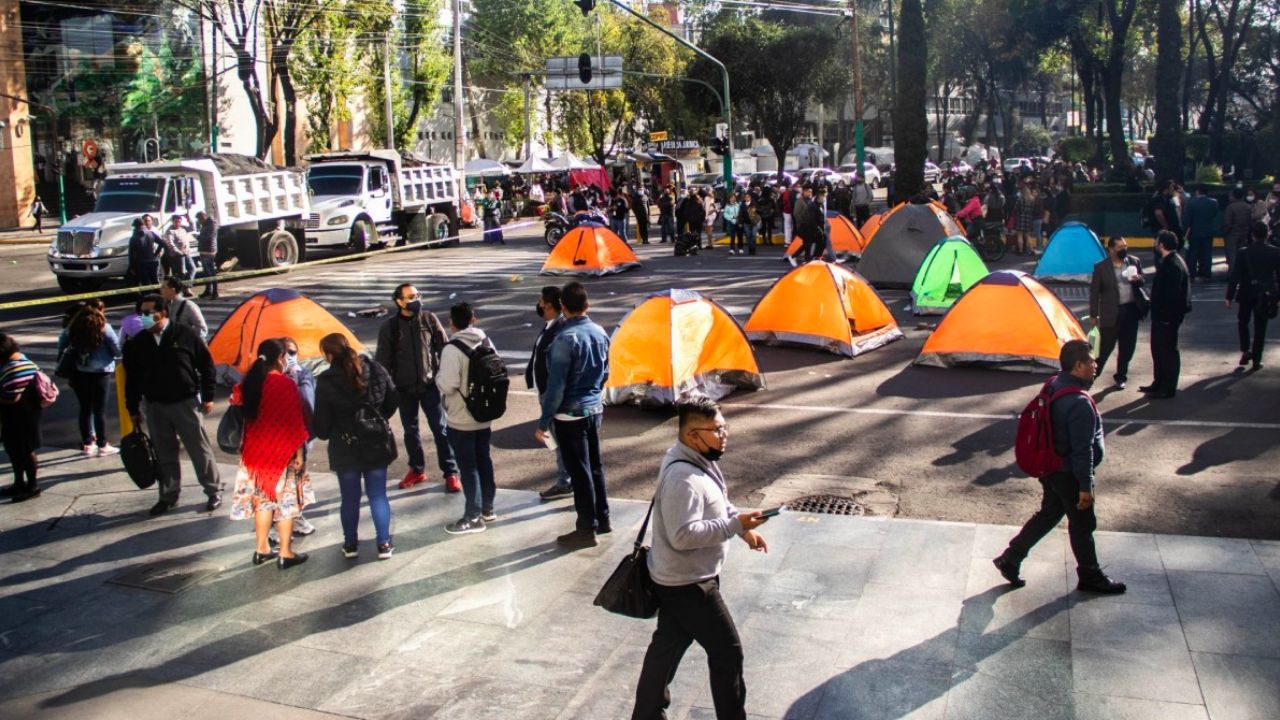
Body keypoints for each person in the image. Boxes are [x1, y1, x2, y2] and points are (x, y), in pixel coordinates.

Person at [632, 397, 770, 720]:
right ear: (693, 435)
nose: (724, 435)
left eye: (724, 427)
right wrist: (734, 525)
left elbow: (720, 503)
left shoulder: (699, 459)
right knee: (728, 653)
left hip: (678, 577)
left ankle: (646, 714)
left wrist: (744, 531)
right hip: (689, 584)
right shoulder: (684, 480)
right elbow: (684, 535)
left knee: (666, 649)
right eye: (717, 430)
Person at [993, 340, 1126, 595]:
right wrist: (1086, 487)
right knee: (1082, 524)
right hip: (1070, 474)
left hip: (1051, 468)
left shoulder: (1054, 384)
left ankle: (1011, 557)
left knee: (1050, 513)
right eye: (1091, 361)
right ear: (1078, 366)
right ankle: (1090, 575)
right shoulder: (1079, 403)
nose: (1095, 365)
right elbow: (1082, 450)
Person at [123, 295, 222, 516]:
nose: (145, 318)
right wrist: (132, 408)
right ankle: (168, 495)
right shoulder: (138, 344)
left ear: (164, 312)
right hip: (155, 406)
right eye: (141, 313)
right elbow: (132, 379)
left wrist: (208, 396)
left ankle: (213, 490)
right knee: (164, 453)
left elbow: (206, 365)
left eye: (149, 313)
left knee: (199, 449)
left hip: (185, 403)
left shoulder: (185, 335)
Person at [534, 282, 611, 548]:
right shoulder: (600, 332)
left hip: (570, 414)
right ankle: (603, 519)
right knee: (595, 466)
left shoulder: (564, 339)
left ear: (563, 308)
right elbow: (606, 373)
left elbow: (556, 387)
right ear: (587, 305)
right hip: (594, 408)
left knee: (580, 472)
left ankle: (585, 528)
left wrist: (544, 422)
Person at [314, 333, 399, 560]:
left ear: (329, 355)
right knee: (378, 495)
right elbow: (392, 399)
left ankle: (350, 544)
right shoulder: (375, 369)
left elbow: (321, 426)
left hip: (344, 445)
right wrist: (377, 418)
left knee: (349, 498)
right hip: (375, 441)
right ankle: (383, 543)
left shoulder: (325, 381)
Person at [228, 340, 311, 569]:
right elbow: (295, 422)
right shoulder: (284, 384)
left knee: (262, 502)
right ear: (280, 358)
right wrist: (299, 454)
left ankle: (261, 548)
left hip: (254, 455)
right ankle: (285, 552)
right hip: (282, 452)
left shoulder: (249, 383)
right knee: (285, 503)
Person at [375, 284, 461, 492]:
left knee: (440, 429)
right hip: (404, 389)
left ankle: (450, 472)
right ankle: (417, 469)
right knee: (410, 431)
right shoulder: (390, 327)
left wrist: (442, 375)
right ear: (399, 301)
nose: (416, 300)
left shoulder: (428, 319)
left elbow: (445, 347)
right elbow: (382, 362)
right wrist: (388, 388)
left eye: (417, 295)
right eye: (411, 297)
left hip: (429, 385)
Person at [434, 302, 499, 535]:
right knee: (484, 460)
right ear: (474, 319)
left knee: (468, 466)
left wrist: (437, 378)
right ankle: (488, 508)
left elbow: (449, 384)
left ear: (452, 323)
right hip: (484, 413)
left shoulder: (452, 349)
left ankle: (472, 515)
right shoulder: (485, 340)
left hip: (461, 417)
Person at [527, 287, 572, 502]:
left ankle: (566, 482)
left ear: (551, 305)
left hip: (552, 394)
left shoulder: (559, 330)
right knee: (556, 441)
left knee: (560, 442)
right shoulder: (550, 326)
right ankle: (566, 479)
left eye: (541, 301)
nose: (539, 305)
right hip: (545, 391)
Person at [58, 303, 122, 455]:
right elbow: (117, 349)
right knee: (99, 410)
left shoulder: (73, 327)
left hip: (80, 371)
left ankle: (88, 443)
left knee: (85, 408)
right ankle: (103, 444)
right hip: (101, 373)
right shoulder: (104, 327)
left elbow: (61, 344)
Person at [272, 336, 317, 539]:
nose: (290, 357)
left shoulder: (302, 373)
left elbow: (309, 404)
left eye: (293, 352)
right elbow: (307, 402)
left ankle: (291, 517)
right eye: (286, 353)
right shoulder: (274, 377)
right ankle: (282, 522)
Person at [1089, 237, 1145, 390]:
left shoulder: (1134, 262)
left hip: (1131, 311)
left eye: (1125, 246)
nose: (1124, 249)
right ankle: (1092, 374)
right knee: (1105, 348)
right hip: (1111, 312)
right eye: (1120, 247)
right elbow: (1094, 293)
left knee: (1127, 347)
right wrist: (1094, 315)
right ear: (1111, 250)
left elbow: (1143, 279)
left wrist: (1138, 279)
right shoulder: (1101, 267)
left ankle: (1121, 376)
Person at [1141, 231, 1191, 399]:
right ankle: (1159, 382)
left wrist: (1166, 316)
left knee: (1167, 351)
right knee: (1158, 349)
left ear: (1161, 245)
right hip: (1163, 316)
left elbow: (1172, 295)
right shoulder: (1171, 262)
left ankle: (1167, 386)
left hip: (1167, 317)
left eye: (1157, 242)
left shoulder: (1173, 265)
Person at [1226, 222, 1280, 371]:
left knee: (1243, 321)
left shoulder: (1243, 252)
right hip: (1266, 294)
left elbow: (1235, 276)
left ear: (1252, 235)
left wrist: (1229, 296)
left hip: (1246, 292)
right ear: (1267, 234)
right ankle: (1257, 359)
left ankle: (1245, 350)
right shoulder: (1275, 252)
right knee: (1260, 327)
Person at [0, 334, 44, 502]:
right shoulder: (15, 362)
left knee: (26, 450)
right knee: (13, 449)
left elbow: (12, 397)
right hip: (14, 416)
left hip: (24, 416)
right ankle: (19, 482)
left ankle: (32, 486)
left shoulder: (17, 367)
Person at [1183, 184, 1219, 281]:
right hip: (1208, 232)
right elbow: (1214, 214)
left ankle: (1192, 273)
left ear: (1197, 191)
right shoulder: (1214, 202)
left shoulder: (1191, 203)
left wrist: (1185, 232)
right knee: (1207, 253)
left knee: (1193, 253)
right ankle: (1207, 273)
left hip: (1194, 232)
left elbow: (1188, 220)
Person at [128, 214, 163, 287]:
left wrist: (132, 267)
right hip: (153, 261)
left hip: (141, 263)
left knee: (145, 283)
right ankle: (158, 296)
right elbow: (163, 243)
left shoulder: (134, 237)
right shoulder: (151, 233)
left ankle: (149, 296)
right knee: (155, 280)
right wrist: (156, 254)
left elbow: (131, 255)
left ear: (136, 226)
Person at [161, 214, 196, 281]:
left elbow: (192, 228)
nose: (178, 223)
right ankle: (180, 288)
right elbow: (170, 244)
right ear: (173, 221)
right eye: (176, 221)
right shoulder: (170, 231)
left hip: (186, 253)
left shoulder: (182, 228)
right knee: (181, 273)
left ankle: (186, 286)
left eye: (179, 222)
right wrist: (179, 252)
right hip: (177, 256)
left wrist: (189, 220)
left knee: (192, 269)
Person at [195, 211, 219, 299]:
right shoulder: (206, 225)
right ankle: (208, 290)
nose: (199, 222)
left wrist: (197, 237)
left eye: (199, 219)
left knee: (210, 272)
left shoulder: (211, 224)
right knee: (206, 273)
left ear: (203, 217)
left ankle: (215, 291)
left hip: (209, 251)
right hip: (204, 250)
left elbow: (209, 237)